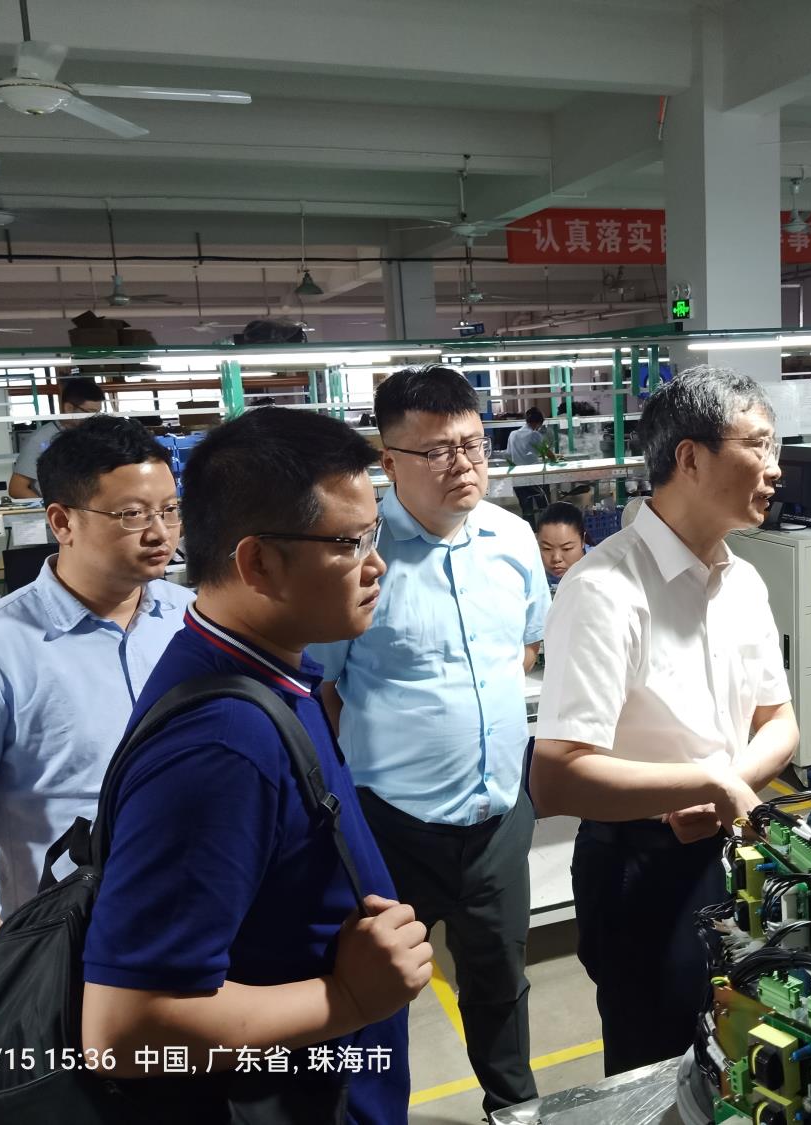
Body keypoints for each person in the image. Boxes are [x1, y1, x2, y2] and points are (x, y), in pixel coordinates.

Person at [82, 407, 431, 1122]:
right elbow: (122, 1033)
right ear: (258, 563)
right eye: (349, 543)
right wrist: (350, 999)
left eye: (374, 535)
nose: (376, 565)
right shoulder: (223, 744)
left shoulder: (260, 672)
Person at [531, 364, 799, 1076]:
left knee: (741, 1053)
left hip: (728, 848)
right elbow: (556, 777)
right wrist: (709, 785)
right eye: (759, 446)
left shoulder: (743, 581)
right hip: (640, 867)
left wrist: (723, 788)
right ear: (690, 457)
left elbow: (780, 721)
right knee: (657, 1069)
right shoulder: (604, 590)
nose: (775, 468)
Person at [316, 365, 549, 1116]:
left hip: (499, 818)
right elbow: (323, 688)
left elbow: (525, 647)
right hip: (391, 827)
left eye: (474, 444)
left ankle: (513, 1108)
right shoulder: (355, 556)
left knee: (500, 981)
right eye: (439, 451)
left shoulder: (513, 539)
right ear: (389, 461)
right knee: (373, 993)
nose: (465, 464)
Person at [0, 415, 191, 954]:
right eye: (132, 514)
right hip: (66, 940)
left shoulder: (192, 620)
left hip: (195, 917)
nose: (160, 532)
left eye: (170, 510)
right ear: (62, 522)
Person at [7, 376, 105, 499]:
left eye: (98, 413)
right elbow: (17, 488)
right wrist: (49, 507)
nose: (94, 418)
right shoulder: (40, 440)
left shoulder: (91, 436)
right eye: (90, 412)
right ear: (69, 408)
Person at [507, 407, 552, 519]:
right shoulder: (535, 435)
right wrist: (556, 457)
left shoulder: (512, 434)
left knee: (527, 510)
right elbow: (549, 454)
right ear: (538, 423)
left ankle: (530, 528)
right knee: (544, 507)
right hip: (534, 477)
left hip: (517, 477)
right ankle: (545, 525)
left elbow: (508, 455)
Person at [535, 501, 588, 590]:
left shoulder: (598, 570)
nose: (556, 558)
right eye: (547, 548)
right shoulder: (532, 573)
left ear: (583, 540)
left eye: (566, 548)